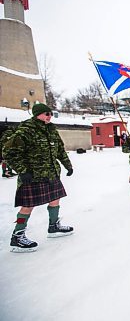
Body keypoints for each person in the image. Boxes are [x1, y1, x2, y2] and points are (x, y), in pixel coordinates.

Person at [3, 103, 74, 253]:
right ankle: (18, 235)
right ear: (37, 114)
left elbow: (60, 149)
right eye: (46, 114)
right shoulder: (25, 131)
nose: (49, 116)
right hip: (32, 176)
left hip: (51, 173)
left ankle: (53, 226)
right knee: (28, 206)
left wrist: (68, 165)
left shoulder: (51, 130)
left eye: (50, 113)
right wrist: (22, 171)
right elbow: (8, 152)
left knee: (55, 199)